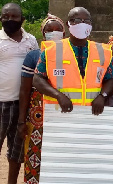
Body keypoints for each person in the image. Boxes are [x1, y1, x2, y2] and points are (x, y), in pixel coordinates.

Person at [33, 7, 113, 115]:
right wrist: (58, 95)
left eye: (87, 21)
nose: (83, 24)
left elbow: (110, 78)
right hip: (59, 113)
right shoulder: (51, 51)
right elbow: (37, 79)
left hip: (91, 114)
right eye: (77, 20)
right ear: (68, 24)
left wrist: (102, 96)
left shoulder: (102, 51)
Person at [17, 14, 65, 184]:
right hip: (38, 114)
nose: (54, 33)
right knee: (35, 154)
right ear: (43, 34)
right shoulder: (34, 56)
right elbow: (24, 90)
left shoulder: (72, 55)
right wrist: (22, 121)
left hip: (63, 112)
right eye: (49, 30)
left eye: (58, 29)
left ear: (64, 33)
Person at [0, 3, 39, 184]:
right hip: (1, 102)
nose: (9, 20)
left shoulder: (31, 41)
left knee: (16, 152)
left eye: (13, 17)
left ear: (22, 19)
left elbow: (36, 69)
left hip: (22, 104)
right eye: (5, 16)